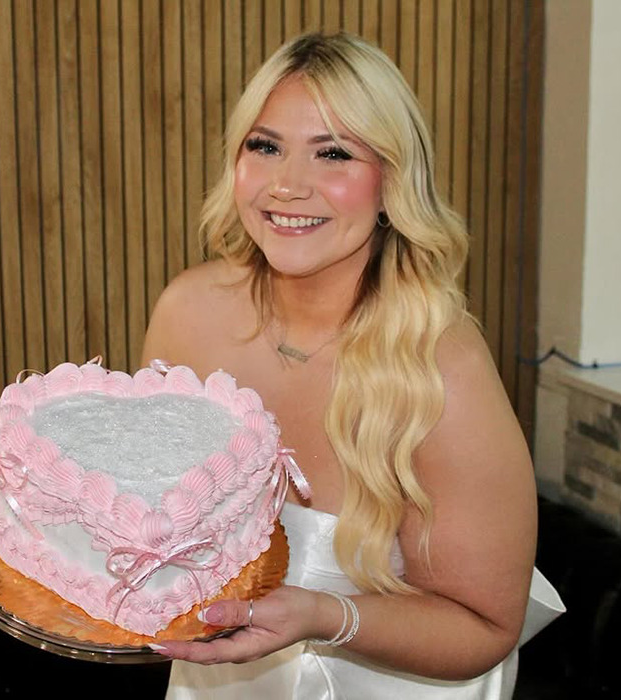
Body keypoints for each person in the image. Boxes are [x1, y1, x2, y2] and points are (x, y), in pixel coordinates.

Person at [141, 31, 563, 699]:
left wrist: (323, 615)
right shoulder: (187, 314)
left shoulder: (441, 368)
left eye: (333, 152)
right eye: (265, 145)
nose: (287, 184)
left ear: (392, 182)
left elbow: (485, 627)